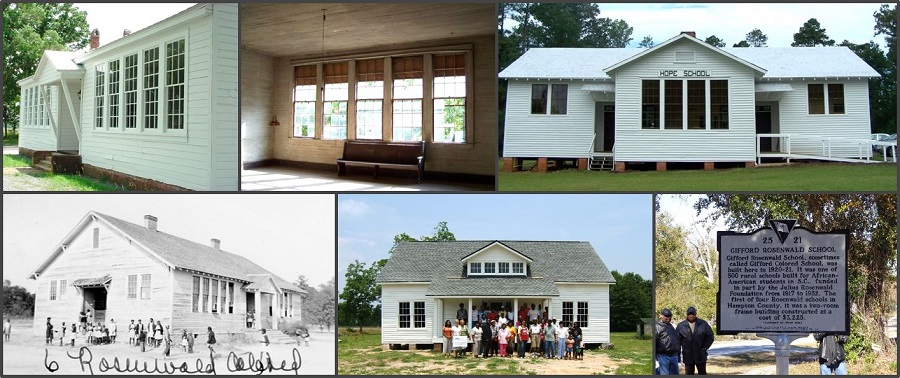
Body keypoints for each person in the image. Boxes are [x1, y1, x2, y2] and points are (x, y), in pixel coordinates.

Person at [676, 306, 715, 375]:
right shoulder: (681, 326)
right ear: (687, 314)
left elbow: (710, 337)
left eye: (692, 314)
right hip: (688, 355)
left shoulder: (703, 324)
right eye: (689, 314)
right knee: (689, 373)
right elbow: (677, 341)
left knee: (702, 373)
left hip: (700, 354)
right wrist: (678, 354)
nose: (691, 315)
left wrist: (704, 348)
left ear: (695, 314)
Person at [655, 308, 680, 375]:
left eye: (669, 316)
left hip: (674, 355)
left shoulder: (672, 326)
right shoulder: (657, 326)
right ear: (661, 316)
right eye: (666, 316)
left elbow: (677, 340)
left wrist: (678, 354)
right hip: (663, 356)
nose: (668, 317)